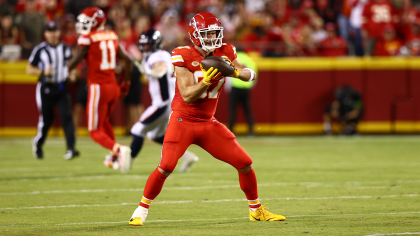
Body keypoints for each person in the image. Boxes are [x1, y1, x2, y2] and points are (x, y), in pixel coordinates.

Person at [129, 12, 285, 226]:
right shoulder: (182, 54)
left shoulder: (226, 51)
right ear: (195, 35)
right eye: (207, 33)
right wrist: (206, 81)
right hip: (183, 121)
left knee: (245, 163)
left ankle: (256, 210)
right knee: (166, 166)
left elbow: (250, 74)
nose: (212, 37)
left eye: (214, 33)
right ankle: (140, 211)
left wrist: (237, 73)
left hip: (208, 122)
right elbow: (187, 95)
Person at [121, 29, 198, 173]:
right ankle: (187, 156)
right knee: (154, 135)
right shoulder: (157, 56)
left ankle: (126, 163)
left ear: (155, 44)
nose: (144, 48)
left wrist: (148, 71)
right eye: (143, 45)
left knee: (138, 129)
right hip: (168, 103)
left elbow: (161, 70)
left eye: (148, 45)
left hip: (162, 103)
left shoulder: (158, 55)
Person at [68, 7, 133, 174]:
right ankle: (114, 156)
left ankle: (118, 149)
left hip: (99, 86)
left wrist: (62, 69)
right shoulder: (111, 35)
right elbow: (127, 60)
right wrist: (126, 81)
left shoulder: (87, 39)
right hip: (113, 86)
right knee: (104, 122)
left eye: (86, 21)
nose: (82, 25)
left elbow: (77, 58)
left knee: (94, 131)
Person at [27, 21, 80, 160]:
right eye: (49, 31)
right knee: (46, 119)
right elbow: (29, 69)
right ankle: (38, 143)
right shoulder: (40, 49)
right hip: (46, 88)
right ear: (45, 34)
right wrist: (42, 71)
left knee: (67, 116)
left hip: (62, 87)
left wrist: (72, 74)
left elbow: (71, 66)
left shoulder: (66, 48)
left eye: (54, 31)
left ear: (59, 32)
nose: (52, 34)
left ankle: (71, 148)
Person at [227, 48, 257, 136]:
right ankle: (251, 131)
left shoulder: (232, 59)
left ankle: (231, 131)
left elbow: (228, 73)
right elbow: (254, 74)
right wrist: (249, 86)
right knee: (247, 110)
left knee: (232, 111)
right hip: (245, 88)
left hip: (235, 88)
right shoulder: (249, 59)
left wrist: (228, 88)